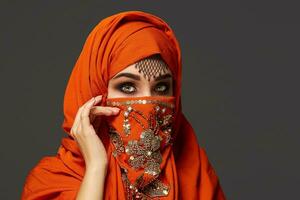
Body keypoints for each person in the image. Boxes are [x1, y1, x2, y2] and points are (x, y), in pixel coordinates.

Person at [21, 10, 226, 200]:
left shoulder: (196, 174)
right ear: (96, 91)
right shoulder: (51, 180)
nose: (149, 103)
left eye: (161, 88)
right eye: (128, 87)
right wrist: (95, 167)